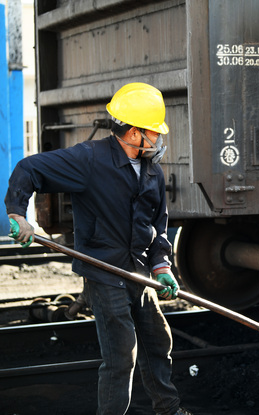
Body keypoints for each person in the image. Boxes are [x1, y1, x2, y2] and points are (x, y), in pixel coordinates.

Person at [5, 82, 192, 415]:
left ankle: (169, 410)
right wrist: (18, 213)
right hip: (103, 272)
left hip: (139, 272)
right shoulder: (89, 160)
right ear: (134, 133)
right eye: (153, 132)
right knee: (122, 357)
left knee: (157, 343)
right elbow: (29, 169)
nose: (159, 139)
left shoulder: (152, 170)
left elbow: (158, 226)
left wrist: (162, 266)